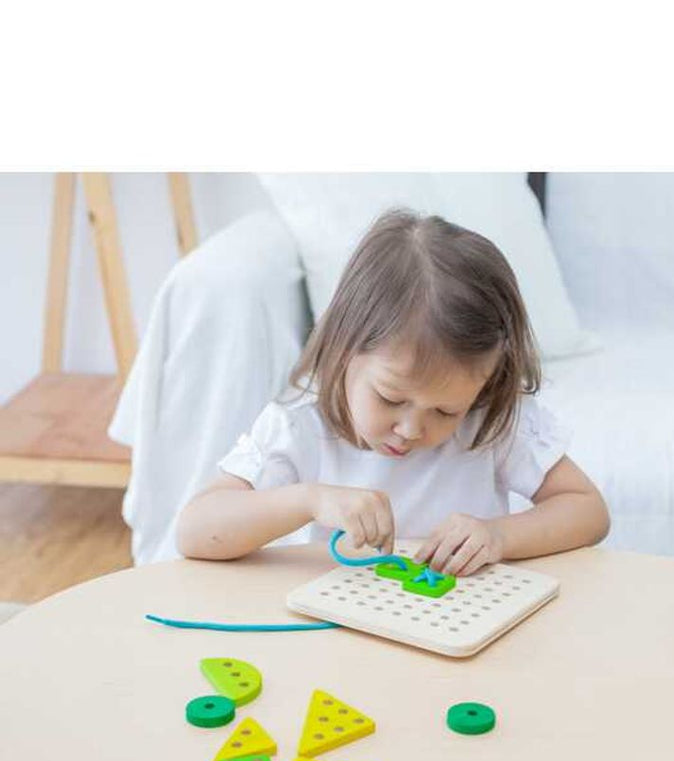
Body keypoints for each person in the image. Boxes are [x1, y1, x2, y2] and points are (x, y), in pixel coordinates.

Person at [176, 208, 610, 577]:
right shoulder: (301, 424)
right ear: (344, 351)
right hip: (351, 634)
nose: (410, 429)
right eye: (390, 398)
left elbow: (587, 509)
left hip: (466, 634)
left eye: (446, 411)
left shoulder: (490, 422)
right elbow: (195, 531)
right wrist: (309, 499)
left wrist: (498, 535)